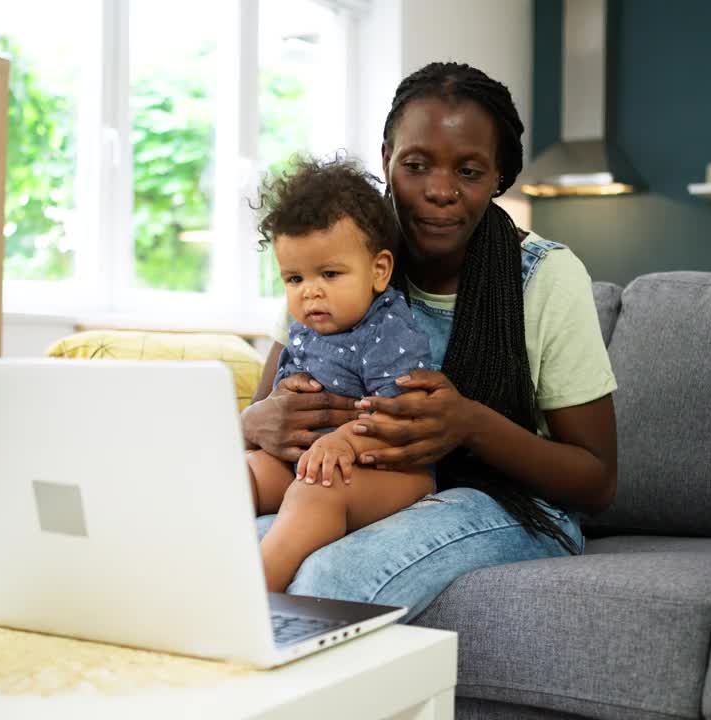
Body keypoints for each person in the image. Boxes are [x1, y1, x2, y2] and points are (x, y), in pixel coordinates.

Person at [241, 61, 619, 621]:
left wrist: (468, 424)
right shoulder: (336, 260)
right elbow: (263, 416)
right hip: (350, 479)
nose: (440, 191)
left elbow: (597, 480)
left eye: (469, 171)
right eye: (416, 165)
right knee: (232, 543)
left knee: (328, 578)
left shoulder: (543, 276)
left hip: (511, 502)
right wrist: (251, 423)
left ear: (499, 178)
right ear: (387, 159)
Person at [248, 155, 435, 593]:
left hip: (394, 475)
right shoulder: (304, 328)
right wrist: (285, 396)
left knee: (317, 490)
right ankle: (185, 555)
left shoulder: (389, 331)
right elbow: (282, 405)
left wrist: (344, 439)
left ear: (379, 271)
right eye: (294, 279)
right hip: (309, 463)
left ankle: (252, 594)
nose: (310, 291)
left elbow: (405, 419)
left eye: (329, 274)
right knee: (248, 470)